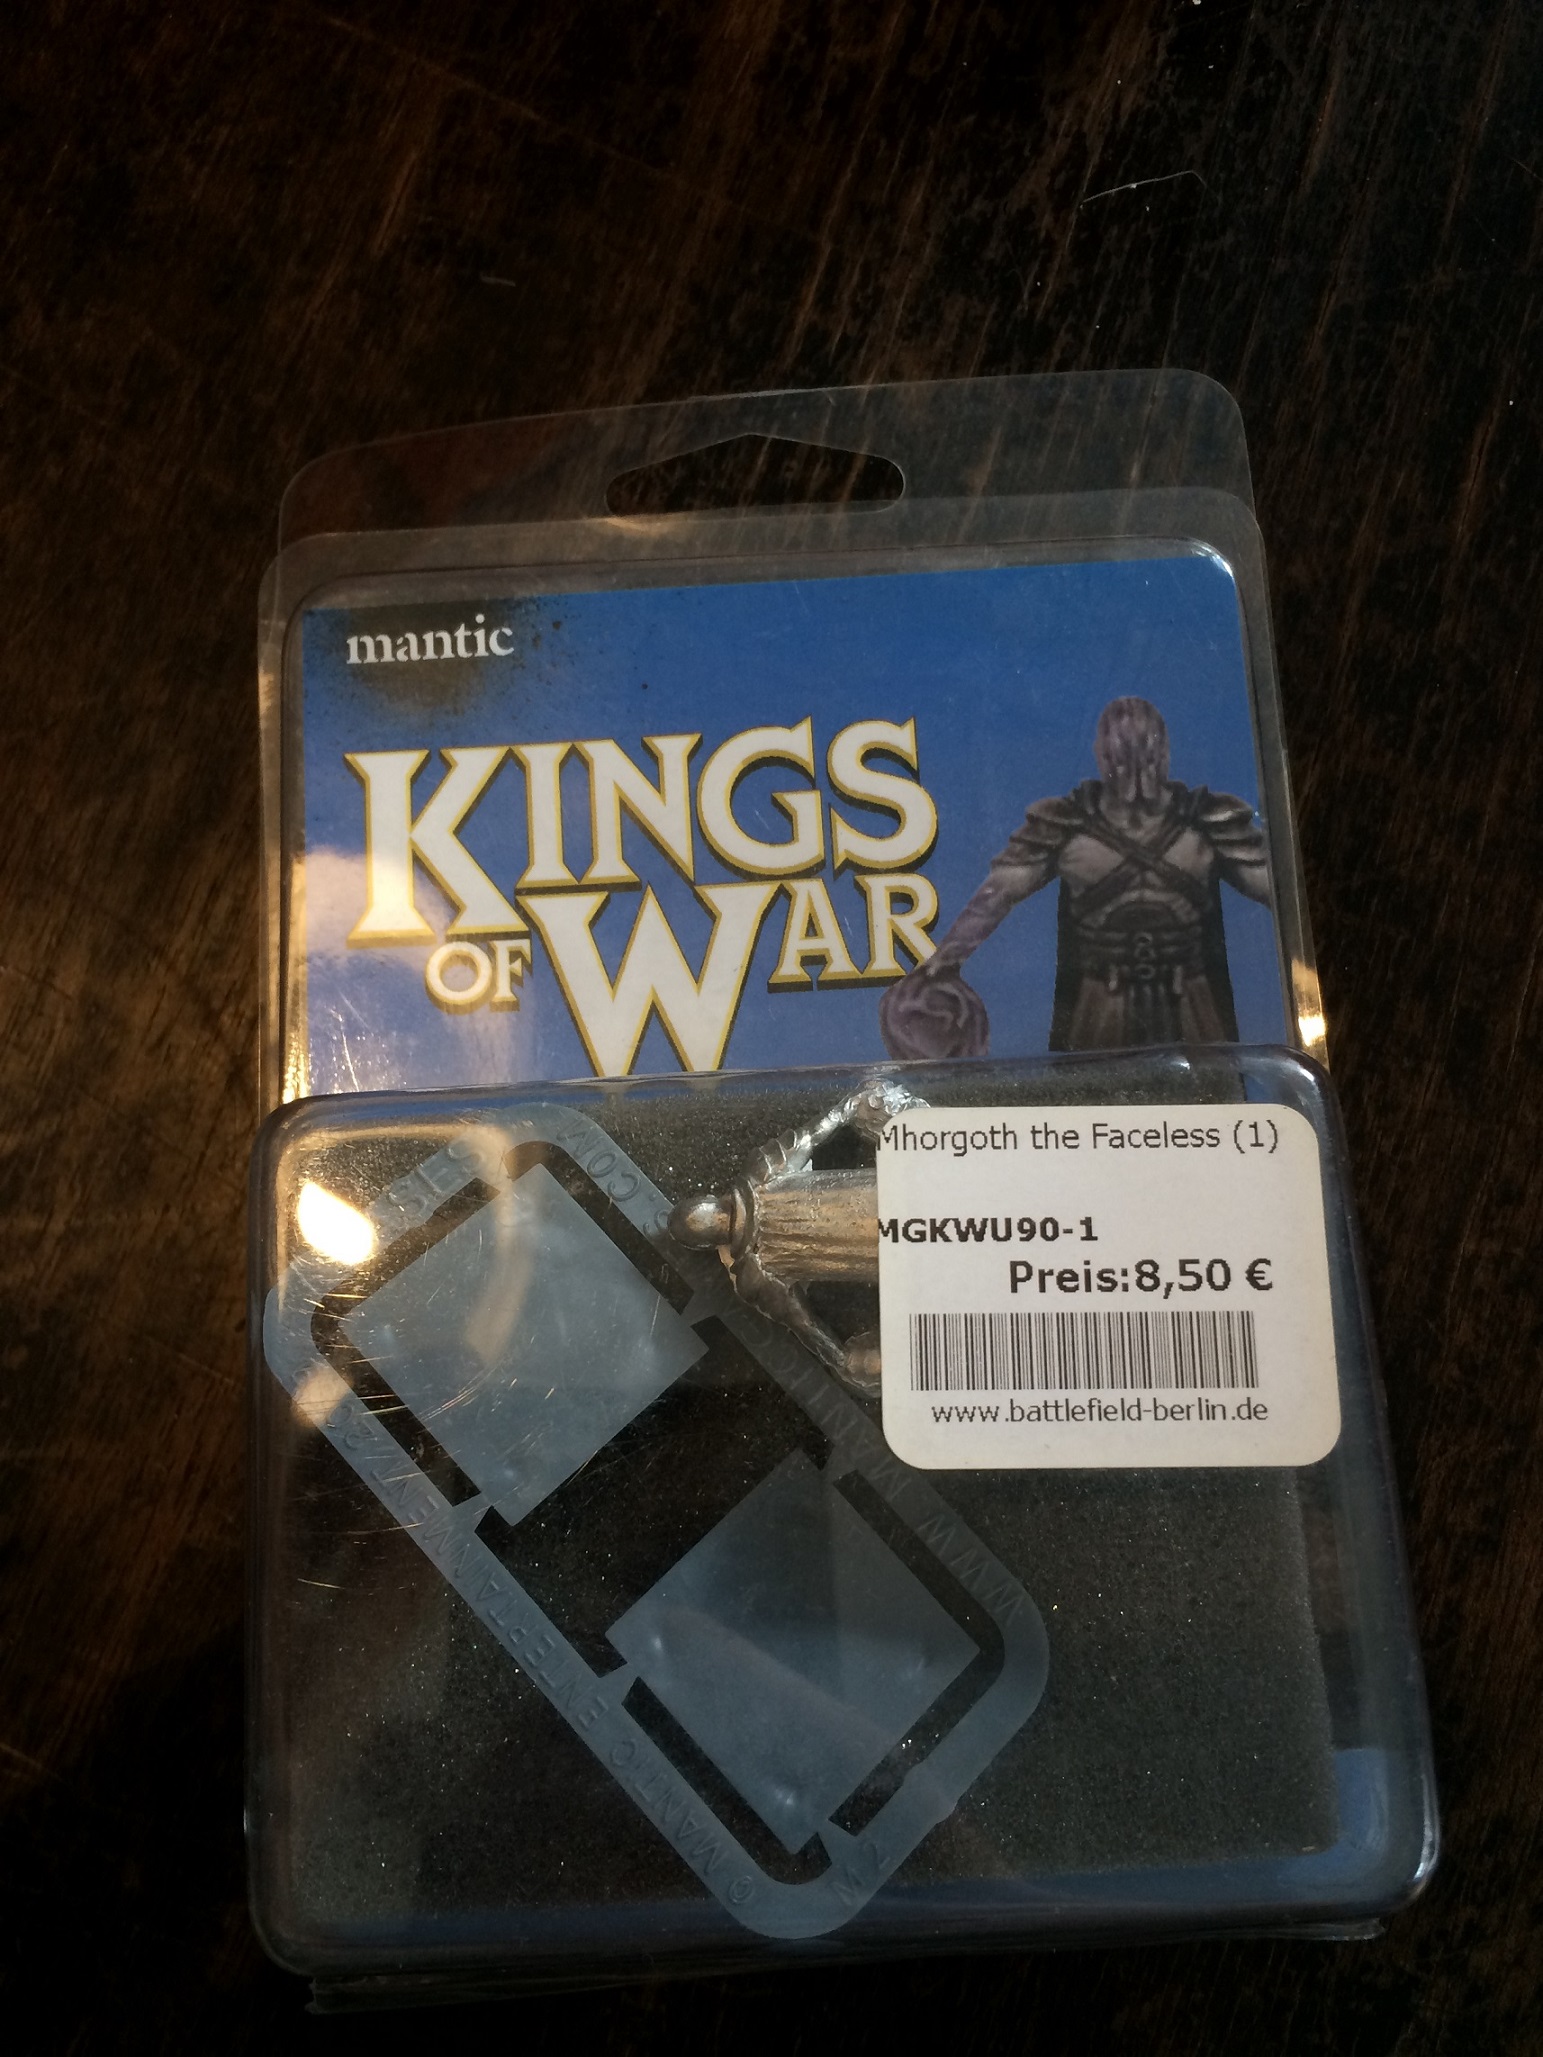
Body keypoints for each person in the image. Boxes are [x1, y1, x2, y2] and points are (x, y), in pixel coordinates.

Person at [879, 696, 1272, 1056]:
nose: (1134, 767)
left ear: (1162, 753)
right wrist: (947, 956)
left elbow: (1273, 890)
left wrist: (947, 956)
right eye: (1122, 756)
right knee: (1095, 1100)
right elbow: (999, 894)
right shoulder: (1066, 824)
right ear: (1104, 756)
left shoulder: (1207, 820)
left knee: (1207, 1098)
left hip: (1190, 1001)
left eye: (1144, 754)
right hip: (1103, 1003)